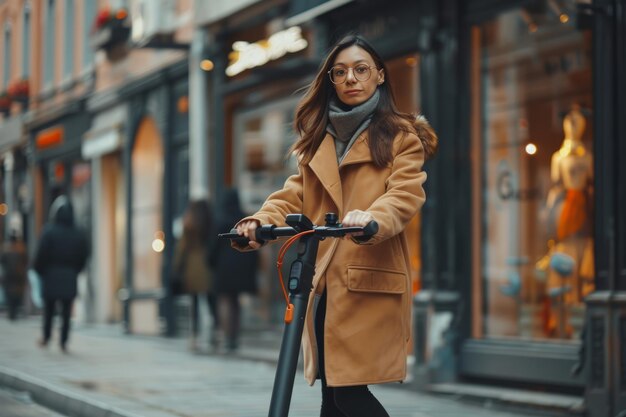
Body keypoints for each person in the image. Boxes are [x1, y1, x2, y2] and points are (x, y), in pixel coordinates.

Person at [234, 35, 437, 416]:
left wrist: (371, 217)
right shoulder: (315, 142)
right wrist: (260, 221)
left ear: (379, 75)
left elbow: (405, 195)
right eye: (340, 72)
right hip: (324, 283)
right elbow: (292, 195)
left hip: (368, 280)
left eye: (361, 69)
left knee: (349, 395)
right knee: (332, 395)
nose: (351, 79)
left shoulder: (400, 137)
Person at [33, 195, 89, 352]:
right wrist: (75, 271)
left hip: (51, 275)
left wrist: (40, 270)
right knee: (66, 312)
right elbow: (84, 255)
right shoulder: (78, 233)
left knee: (49, 309)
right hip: (69, 275)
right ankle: (63, 341)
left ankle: (46, 336)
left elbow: (41, 254)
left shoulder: (49, 231)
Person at [210, 188, 258, 352]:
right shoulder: (244, 220)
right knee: (236, 301)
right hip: (242, 266)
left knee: (225, 300)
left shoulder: (221, 221)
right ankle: (234, 335)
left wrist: (211, 262)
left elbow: (213, 248)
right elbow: (254, 243)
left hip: (224, 268)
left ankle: (227, 336)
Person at [171, 200, 218, 350]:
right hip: (208, 267)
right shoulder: (210, 224)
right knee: (211, 301)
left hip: (191, 267)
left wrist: (176, 267)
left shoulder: (188, 225)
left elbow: (181, 248)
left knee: (194, 303)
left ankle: (195, 337)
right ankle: (216, 333)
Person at [0, 230, 28, 320]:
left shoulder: (6, 248)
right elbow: (26, 260)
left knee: (9, 293)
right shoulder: (21, 248)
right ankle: (14, 311)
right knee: (17, 293)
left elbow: (2, 261)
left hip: (9, 275)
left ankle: (12, 311)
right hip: (18, 274)